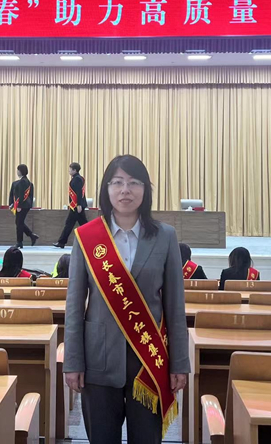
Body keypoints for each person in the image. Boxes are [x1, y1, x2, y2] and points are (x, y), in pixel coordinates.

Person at [64, 155, 189, 444]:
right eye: (117, 182)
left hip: (149, 361)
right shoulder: (86, 237)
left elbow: (175, 307)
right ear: (106, 189)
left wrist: (179, 363)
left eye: (134, 182)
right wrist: (73, 361)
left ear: (145, 189)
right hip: (97, 359)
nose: (125, 190)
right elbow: (74, 307)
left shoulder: (165, 237)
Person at [53, 162, 88, 248]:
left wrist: (79, 204)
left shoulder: (77, 179)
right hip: (76, 205)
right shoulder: (77, 178)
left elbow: (79, 193)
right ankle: (61, 242)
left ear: (74, 170)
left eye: (70, 169)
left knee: (71, 224)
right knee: (82, 224)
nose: (69, 171)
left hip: (76, 206)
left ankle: (61, 242)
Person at [9, 164, 38, 248]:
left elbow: (21, 195)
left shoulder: (23, 182)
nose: (17, 172)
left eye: (18, 170)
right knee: (19, 222)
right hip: (26, 205)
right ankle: (31, 236)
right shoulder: (29, 183)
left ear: (20, 171)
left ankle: (19, 242)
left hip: (22, 206)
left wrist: (19, 206)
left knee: (19, 223)